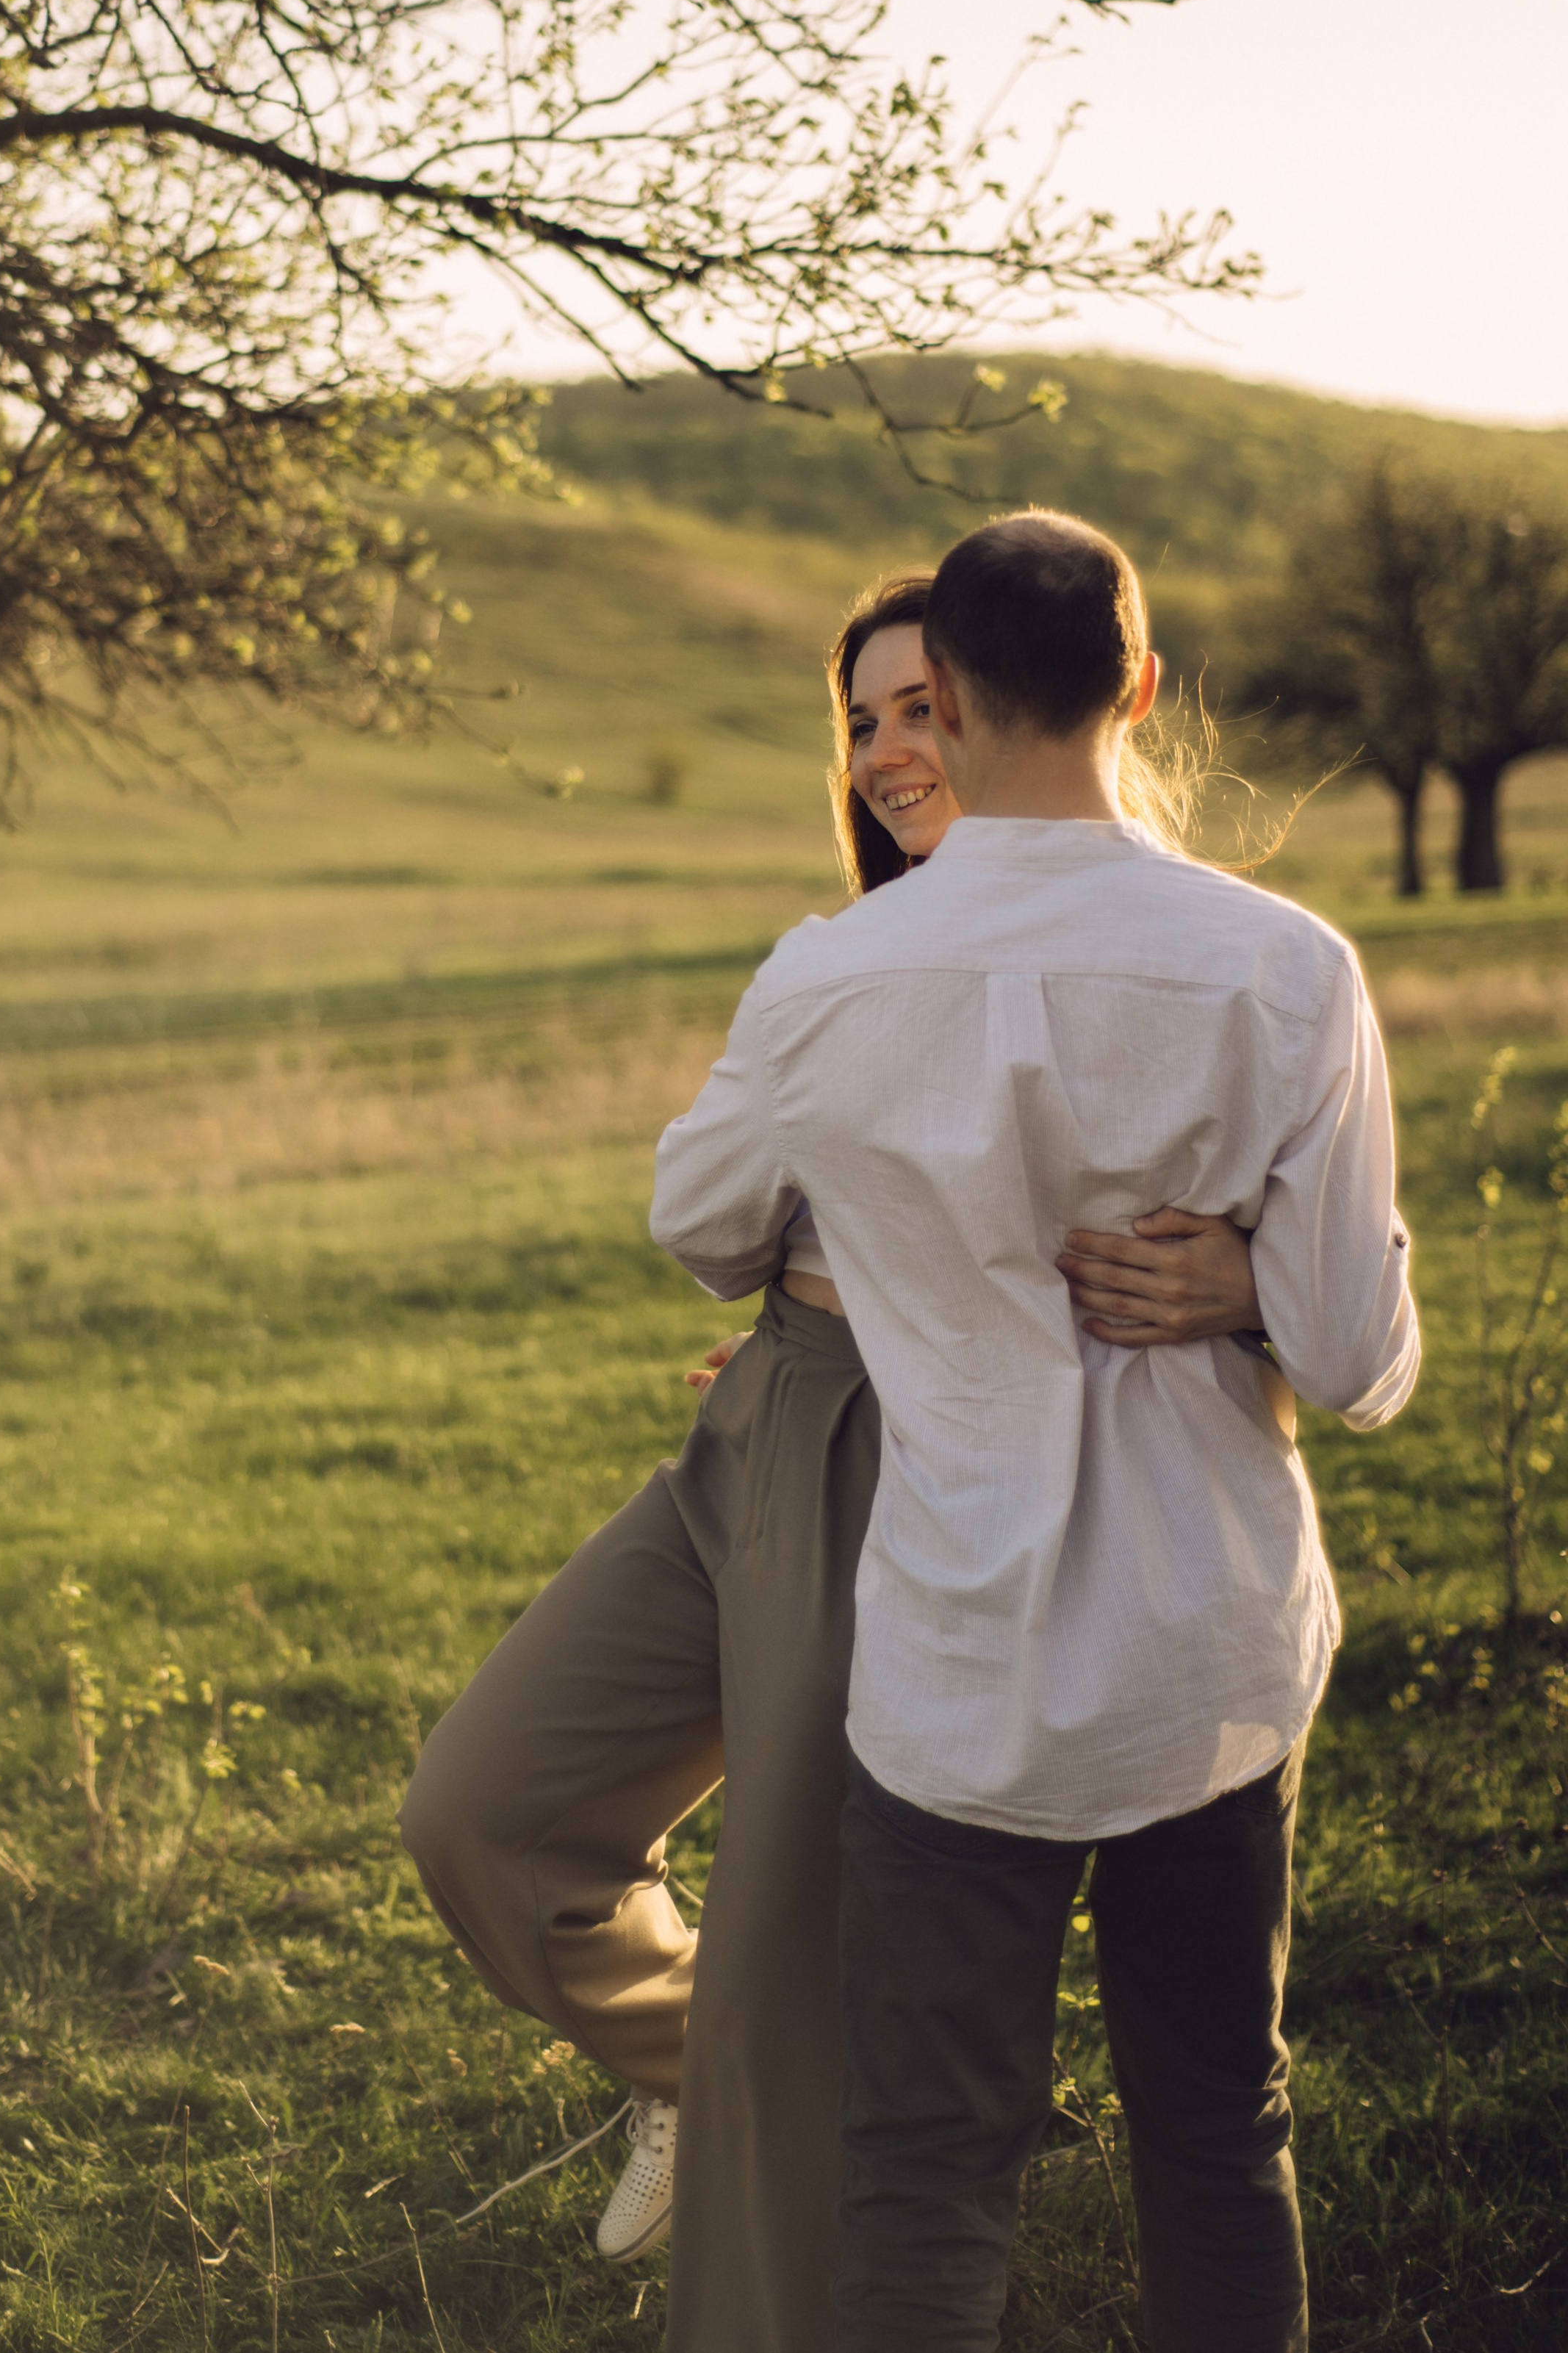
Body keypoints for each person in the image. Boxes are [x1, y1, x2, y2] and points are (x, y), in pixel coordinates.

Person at [400, 571, 1270, 2353]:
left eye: (922, 707)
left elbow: (1260, 1226)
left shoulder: (1188, 950)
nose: (887, 749)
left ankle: (772, 2172)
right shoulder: (833, 964)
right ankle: (694, 2062)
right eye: (860, 719)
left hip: (927, 1450)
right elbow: (709, 1227)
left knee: (797, 1992)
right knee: (484, 1810)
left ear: (1030, 711)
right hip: (767, 1408)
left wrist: (1251, 1277)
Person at [650, 514, 1420, 2353]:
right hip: (1206, 1653)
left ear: (960, 692)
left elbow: (695, 1227)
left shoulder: (826, 979)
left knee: (925, 2161)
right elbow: (1365, 1358)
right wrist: (1241, 1282)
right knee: (1216, 2128)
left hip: (953, 1665)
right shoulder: (1286, 968)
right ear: (1138, 685)